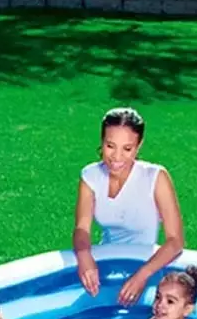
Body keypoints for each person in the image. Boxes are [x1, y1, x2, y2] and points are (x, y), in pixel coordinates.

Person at [73, 106, 186, 306]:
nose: (116, 157)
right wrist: (84, 256)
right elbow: (82, 228)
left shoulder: (155, 177)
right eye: (110, 146)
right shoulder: (90, 176)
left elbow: (175, 242)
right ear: (102, 141)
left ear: (138, 146)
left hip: (147, 266)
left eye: (127, 149)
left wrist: (142, 275)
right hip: (107, 262)